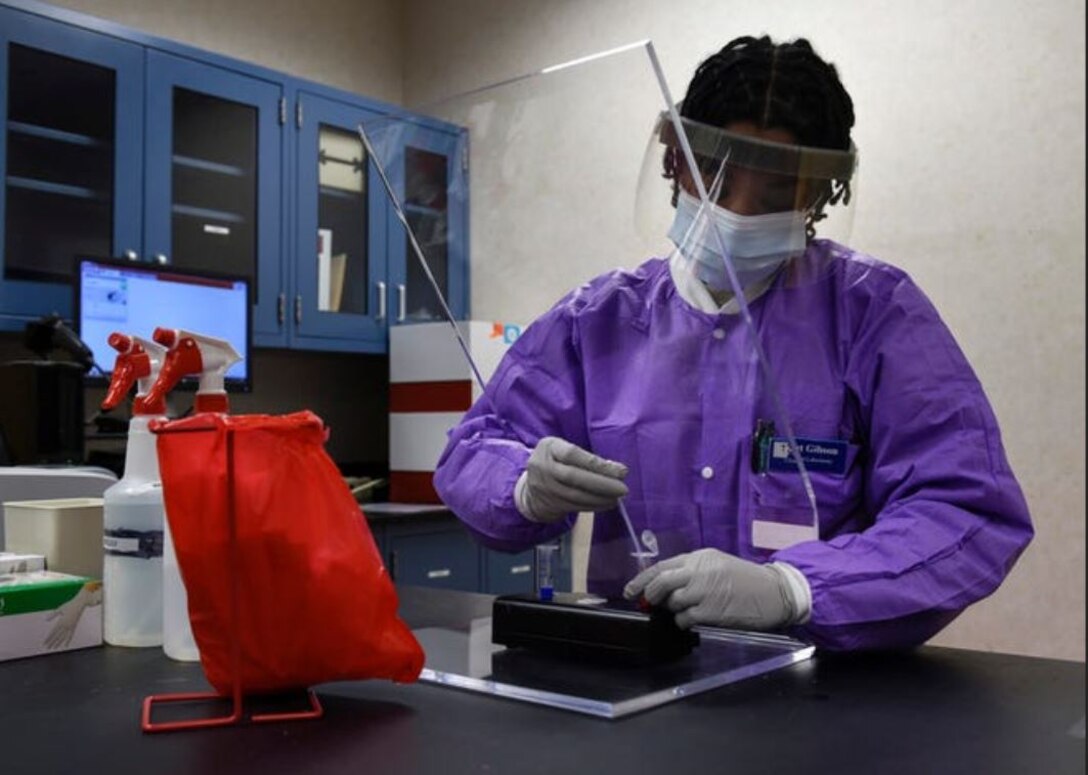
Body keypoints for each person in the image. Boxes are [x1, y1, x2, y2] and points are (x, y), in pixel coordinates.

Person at [433, 35, 1033, 651]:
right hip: (635, 679)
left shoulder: (874, 313)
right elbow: (474, 449)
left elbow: (968, 511)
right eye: (716, 183)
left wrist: (795, 590)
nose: (740, 215)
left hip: (823, 691)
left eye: (775, 195)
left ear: (819, 196)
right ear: (672, 162)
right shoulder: (599, 319)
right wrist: (522, 486)